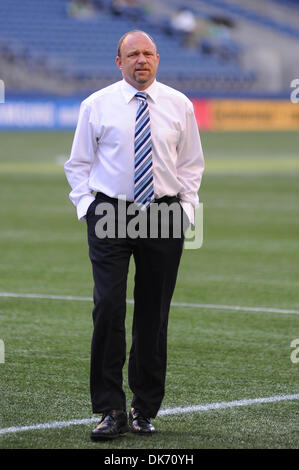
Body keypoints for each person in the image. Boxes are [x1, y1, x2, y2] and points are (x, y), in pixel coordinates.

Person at [64, 29, 204, 441]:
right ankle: (109, 409)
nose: (141, 60)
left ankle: (143, 409)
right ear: (119, 62)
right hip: (111, 212)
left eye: (148, 53)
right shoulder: (97, 105)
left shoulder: (179, 104)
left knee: (152, 314)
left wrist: (186, 210)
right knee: (108, 307)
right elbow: (78, 164)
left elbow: (191, 164)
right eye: (132, 54)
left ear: (157, 59)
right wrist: (88, 207)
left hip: (163, 214)